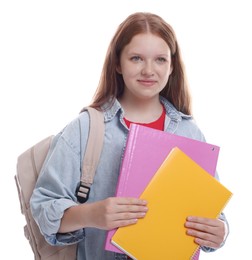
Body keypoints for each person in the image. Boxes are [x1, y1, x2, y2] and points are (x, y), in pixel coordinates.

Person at [30, 12, 229, 259]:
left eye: (160, 59)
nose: (148, 70)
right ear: (117, 63)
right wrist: (92, 214)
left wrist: (220, 231)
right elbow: (43, 206)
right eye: (136, 58)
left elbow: (212, 214)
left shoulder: (190, 133)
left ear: (172, 66)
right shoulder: (86, 128)